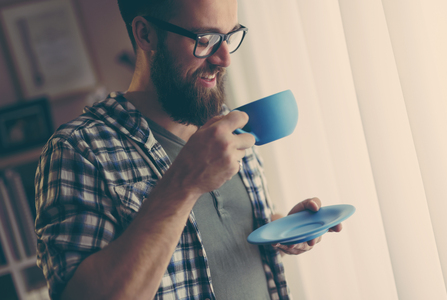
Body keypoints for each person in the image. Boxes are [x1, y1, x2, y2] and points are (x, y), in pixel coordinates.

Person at [35, 0, 342, 299]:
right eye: (205, 39)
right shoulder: (78, 151)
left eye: (229, 37)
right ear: (146, 34)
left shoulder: (228, 123)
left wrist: (282, 231)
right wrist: (184, 182)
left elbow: (223, 238)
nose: (224, 58)